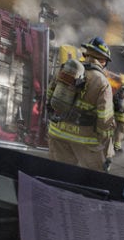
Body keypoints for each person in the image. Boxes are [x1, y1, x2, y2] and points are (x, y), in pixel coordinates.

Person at [45, 38, 112, 169]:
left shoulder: (65, 69)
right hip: (84, 140)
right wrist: (104, 145)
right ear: (103, 61)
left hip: (57, 132)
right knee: (91, 179)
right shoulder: (102, 82)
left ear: (85, 54)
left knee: (57, 175)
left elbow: (49, 96)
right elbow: (105, 120)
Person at [105, 80, 124, 171]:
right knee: (120, 134)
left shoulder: (116, 95)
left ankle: (109, 147)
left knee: (112, 133)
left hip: (115, 118)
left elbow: (110, 106)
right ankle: (116, 148)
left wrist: (110, 116)